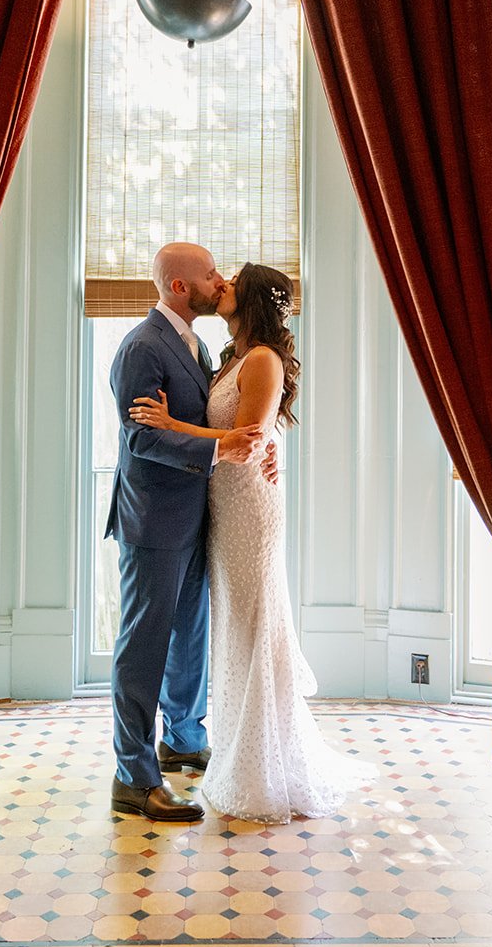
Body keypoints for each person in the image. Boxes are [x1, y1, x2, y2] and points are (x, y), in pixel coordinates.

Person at [130, 263, 363, 824]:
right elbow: (251, 432)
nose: (221, 286)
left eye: (230, 281)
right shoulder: (232, 358)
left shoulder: (262, 360)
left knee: (253, 622)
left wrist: (173, 425)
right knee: (233, 624)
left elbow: (251, 436)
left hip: (250, 509)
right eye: (215, 277)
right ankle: (236, 750)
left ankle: (264, 764)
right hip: (223, 503)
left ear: (251, 299)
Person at [106, 243, 267, 823]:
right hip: (152, 520)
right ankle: (133, 776)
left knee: (188, 637)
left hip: (198, 514)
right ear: (180, 287)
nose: (218, 280)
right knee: (143, 645)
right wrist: (220, 446)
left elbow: (223, 419)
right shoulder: (141, 348)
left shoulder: (196, 346)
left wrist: (253, 450)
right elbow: (142, 439)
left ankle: (181, 736)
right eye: (209, 274)